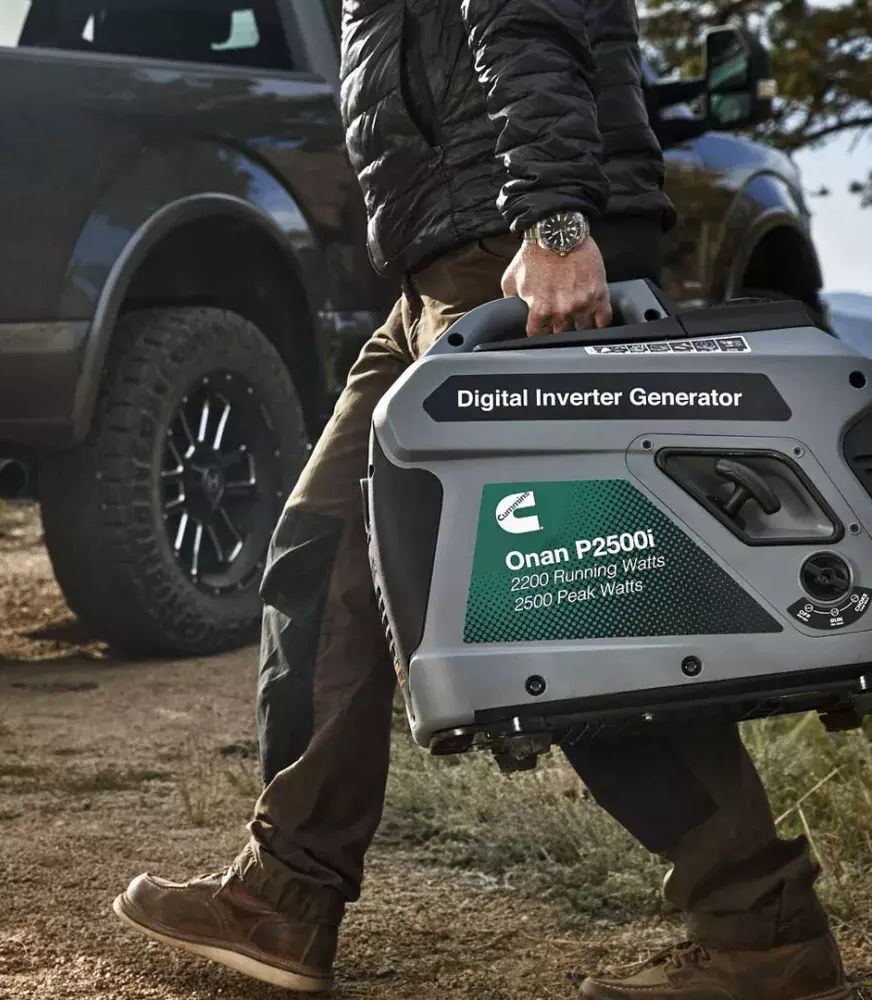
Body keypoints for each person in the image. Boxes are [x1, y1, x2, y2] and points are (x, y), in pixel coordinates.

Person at [111, 0, 853, 996]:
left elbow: (528, 16)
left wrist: (555, 216)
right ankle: (283, 895)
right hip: (436, 271)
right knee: (319, 555)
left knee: (567, 607)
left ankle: (762, 930)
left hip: (522, 250)